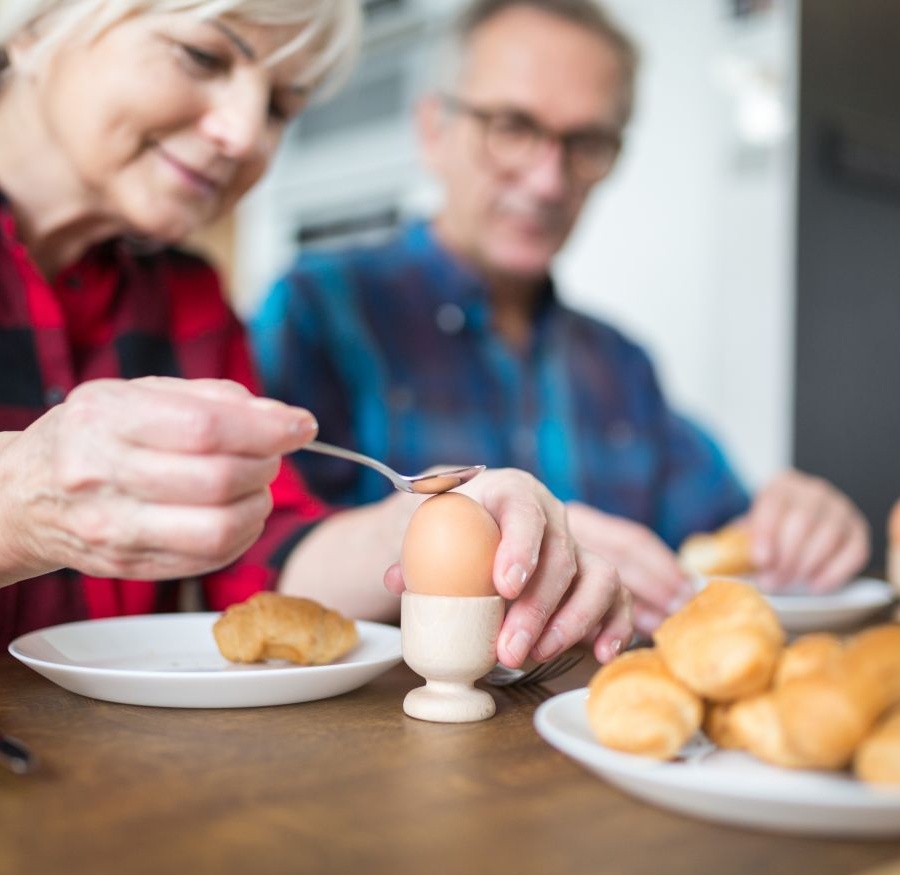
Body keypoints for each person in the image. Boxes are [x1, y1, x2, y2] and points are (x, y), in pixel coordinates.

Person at [0, 0, 633, 669]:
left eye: (279, 105)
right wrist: (19, 497)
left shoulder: (187, 299)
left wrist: (441, 518)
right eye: (202, 56)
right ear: (37, 18)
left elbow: (263, 561)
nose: (246, 136)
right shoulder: (312, 301)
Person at [252, 0, 871, 636]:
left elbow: (719, 543)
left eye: (585, 143)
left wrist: (790, 530)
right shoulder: (318, 312)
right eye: (513, 126)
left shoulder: (621, 365)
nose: (550, 180)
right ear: (433, 129)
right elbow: (257, 567)